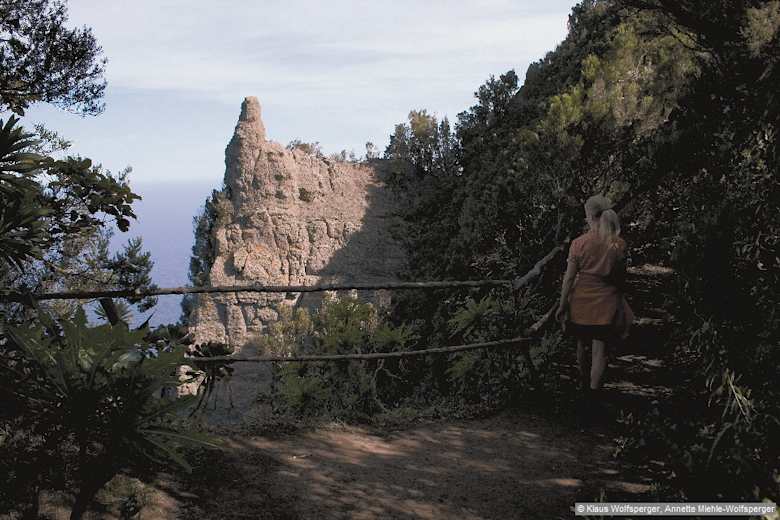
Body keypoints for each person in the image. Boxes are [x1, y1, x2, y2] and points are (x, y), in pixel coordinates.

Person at [555, 194, 634, 412]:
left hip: (581, 302)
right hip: (606, 303)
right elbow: (621, 277)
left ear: (589, 216)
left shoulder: (578, 243)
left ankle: (583, 386)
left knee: (581, 345)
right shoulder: (618, 244)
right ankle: (593, 397)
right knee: (600, 351)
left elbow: (569, 278)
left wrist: (562, 304)